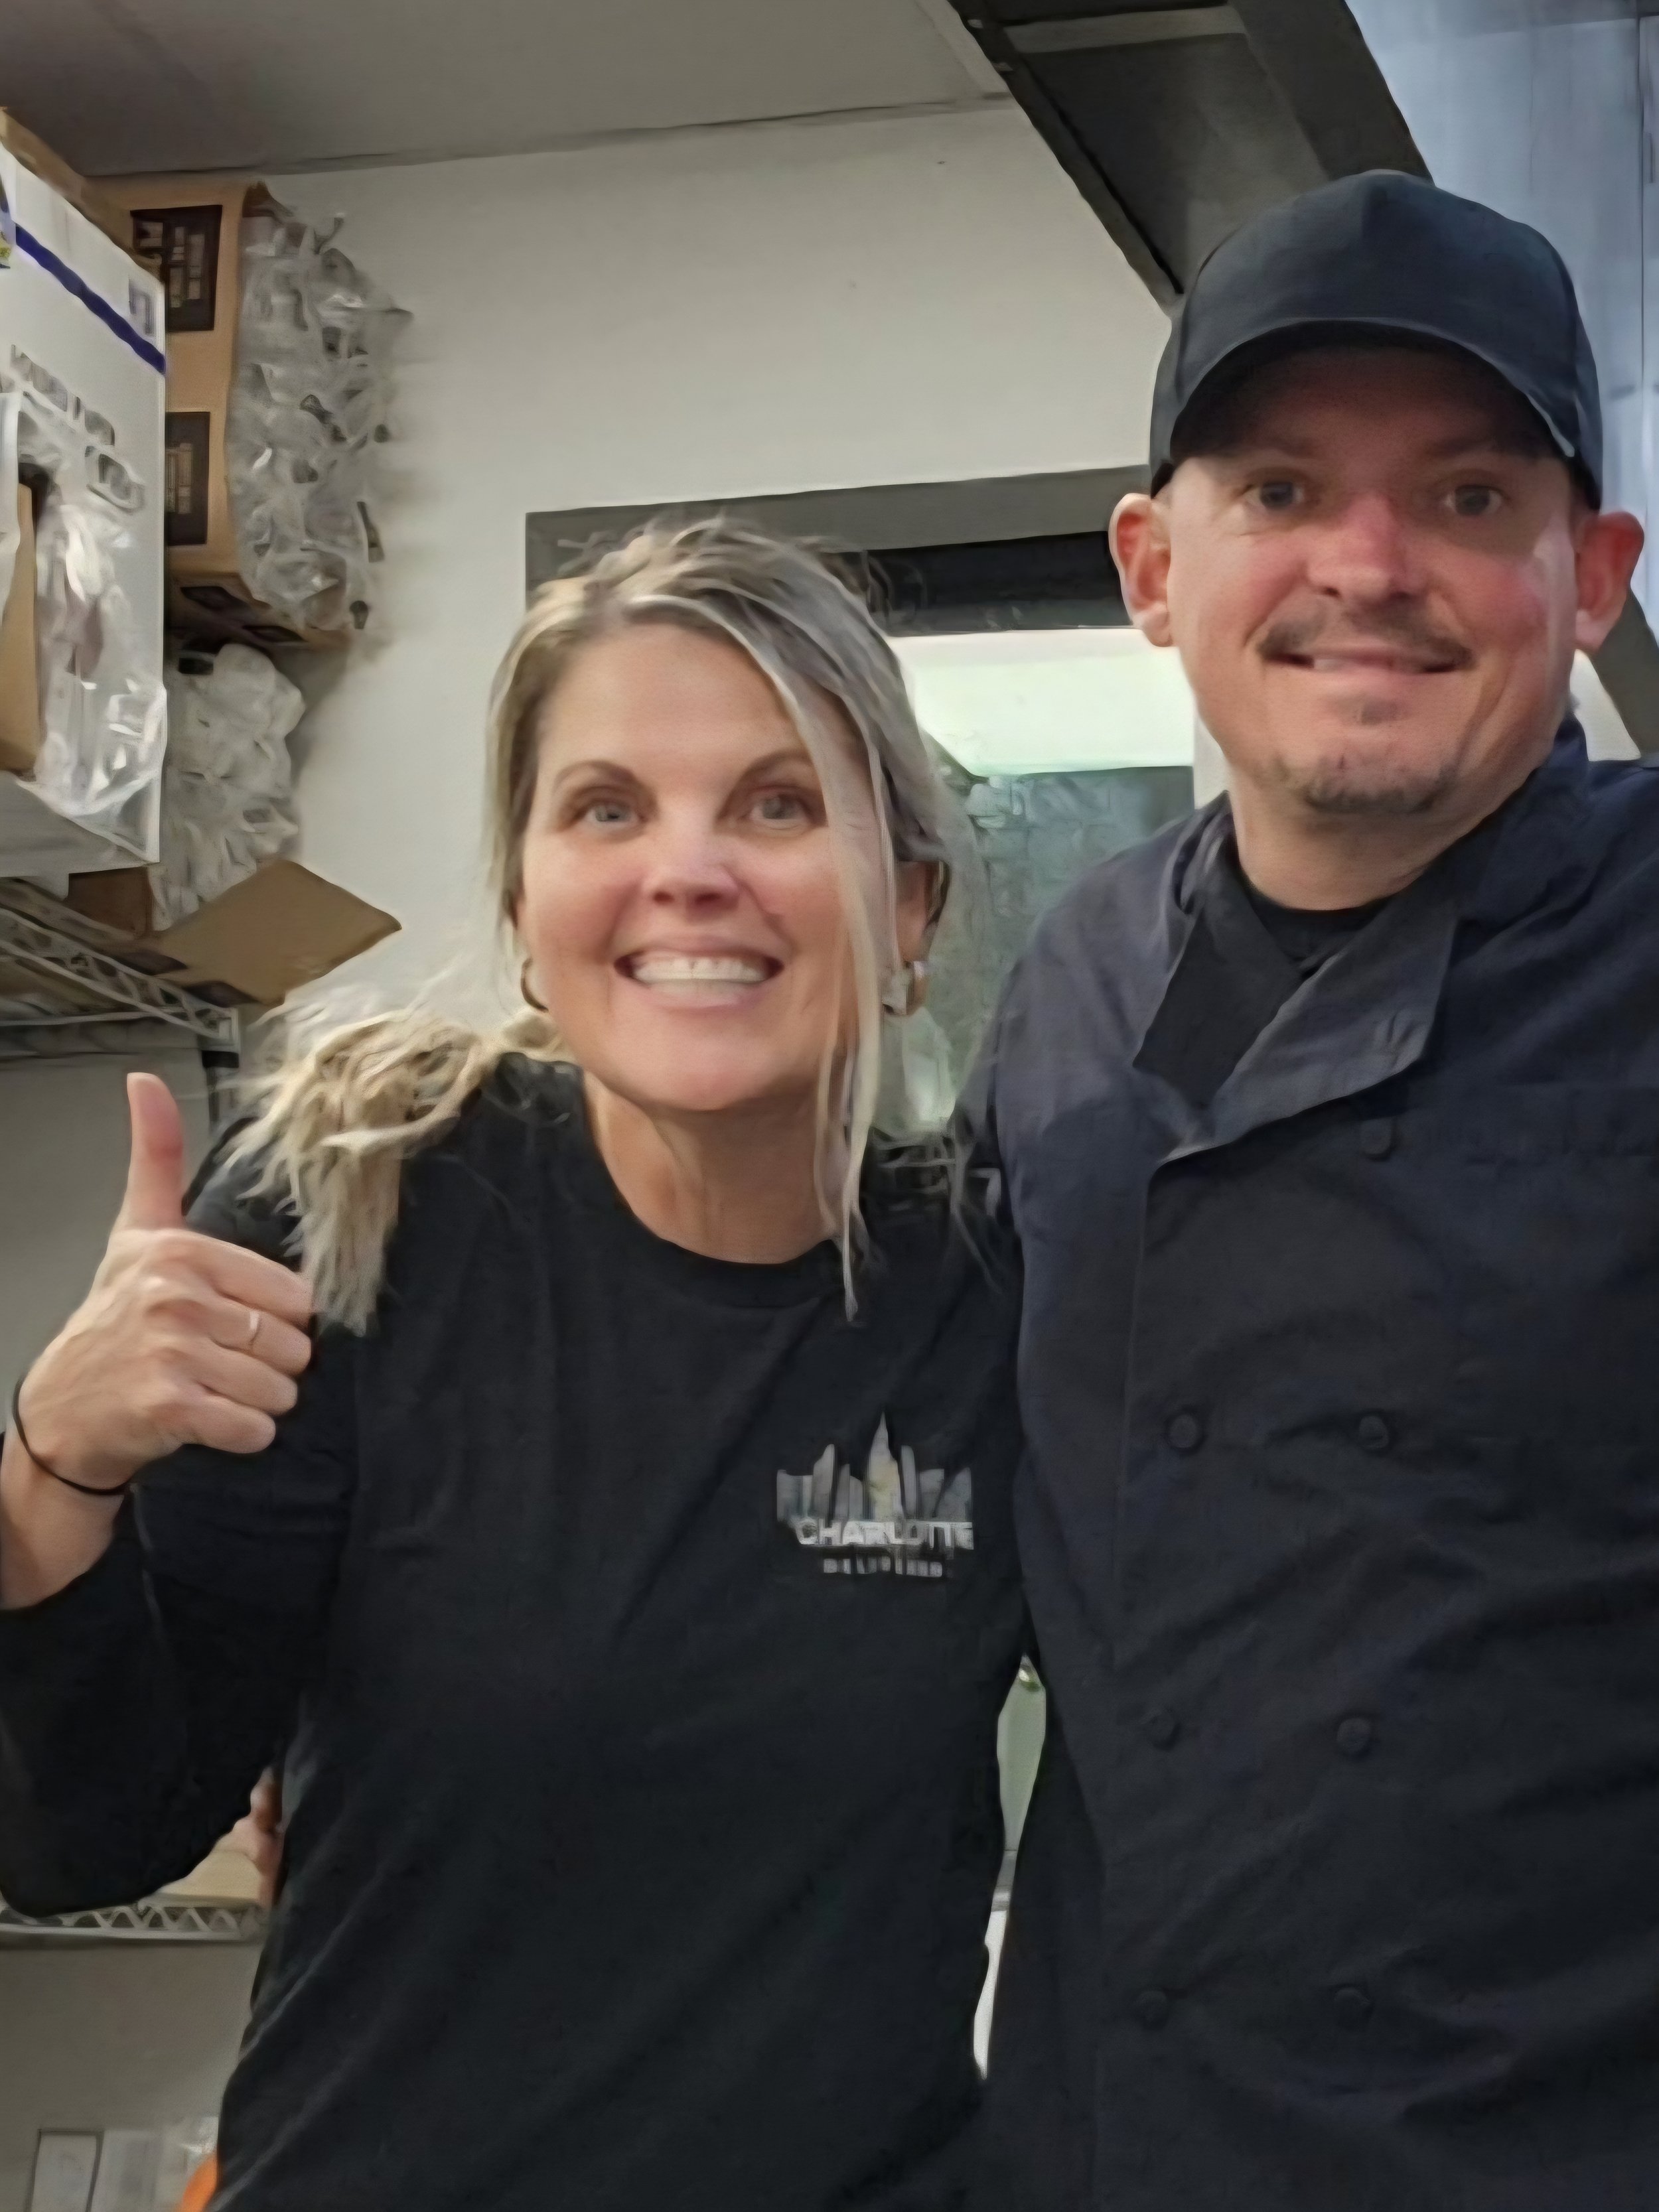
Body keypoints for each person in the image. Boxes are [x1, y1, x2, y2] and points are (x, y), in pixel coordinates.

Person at [0, 519, 1025, 2212]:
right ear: (526, 897)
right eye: (607, 805)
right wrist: (55, 1463)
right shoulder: (355, 1208)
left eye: (776, 803)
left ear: (903, 901)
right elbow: (85, 1835)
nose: (687, 869)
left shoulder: (986, 1285)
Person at [971, 170, 1656, 2211]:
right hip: (1114, 2135)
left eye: (1463, 499)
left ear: (1591, 570)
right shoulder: (1071, 976)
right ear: (1152, 566)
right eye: (1279, 490)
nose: (1366, 565)